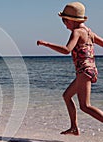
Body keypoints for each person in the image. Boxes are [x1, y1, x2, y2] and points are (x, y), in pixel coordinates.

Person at [37, 2, 103, 135]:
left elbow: (67, 50)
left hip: (84, 72)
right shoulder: (89, 32)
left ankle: (74, 127)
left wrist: (47, 44)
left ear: (71, 20)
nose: (65, 25)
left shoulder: (77, 32)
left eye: (64, 21)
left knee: (85, 106)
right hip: (88, 71)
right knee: (67, 96)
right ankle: (74, 127)